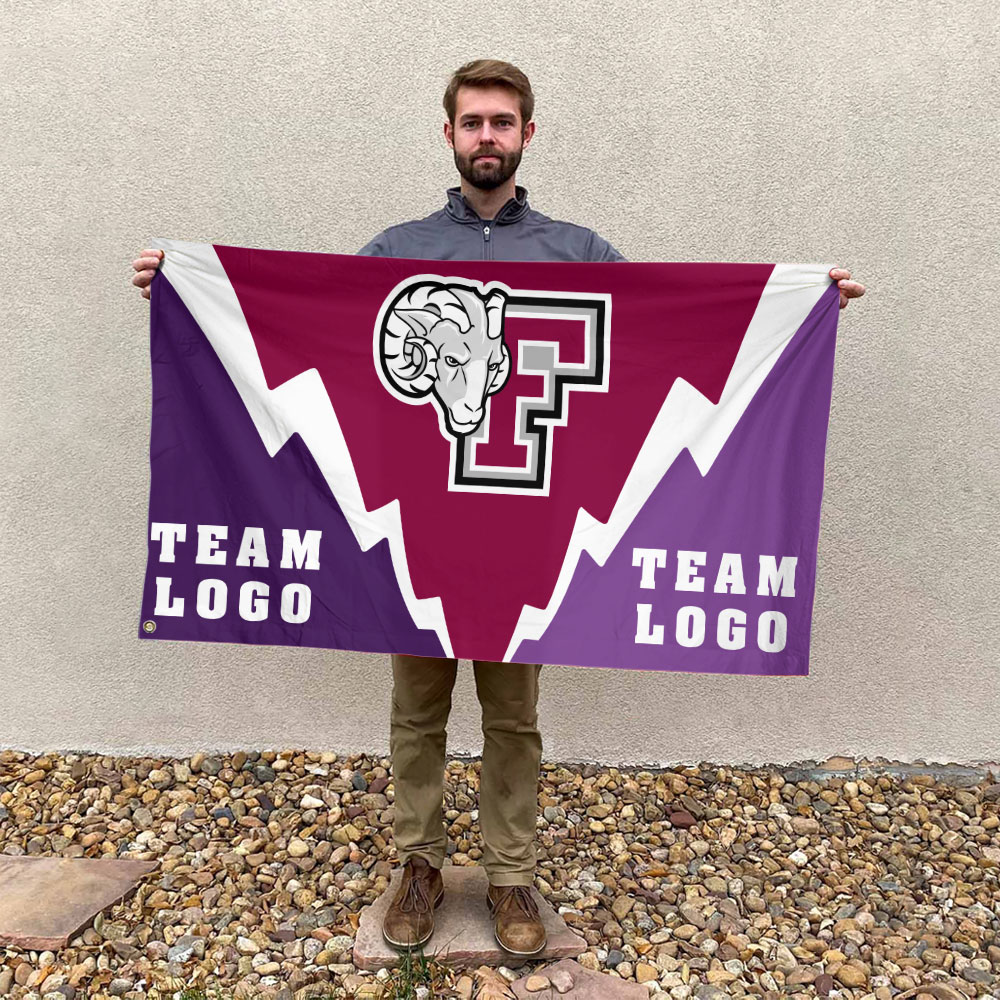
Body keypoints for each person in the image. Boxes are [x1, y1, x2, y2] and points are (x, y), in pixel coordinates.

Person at [130, 59, 866, 959]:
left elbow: (672, 337)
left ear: (527, 134)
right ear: (448, 134)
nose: (488, 136)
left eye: (503, 122)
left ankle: (512, 871)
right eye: (473, 121)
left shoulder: (581, 255)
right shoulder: (395, 251)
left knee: (513, 715)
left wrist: (801, 308)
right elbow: (306, 335)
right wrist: (187, 293)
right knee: (417, 710)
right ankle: (419, 864)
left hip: (529, 539)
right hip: (417, 537)